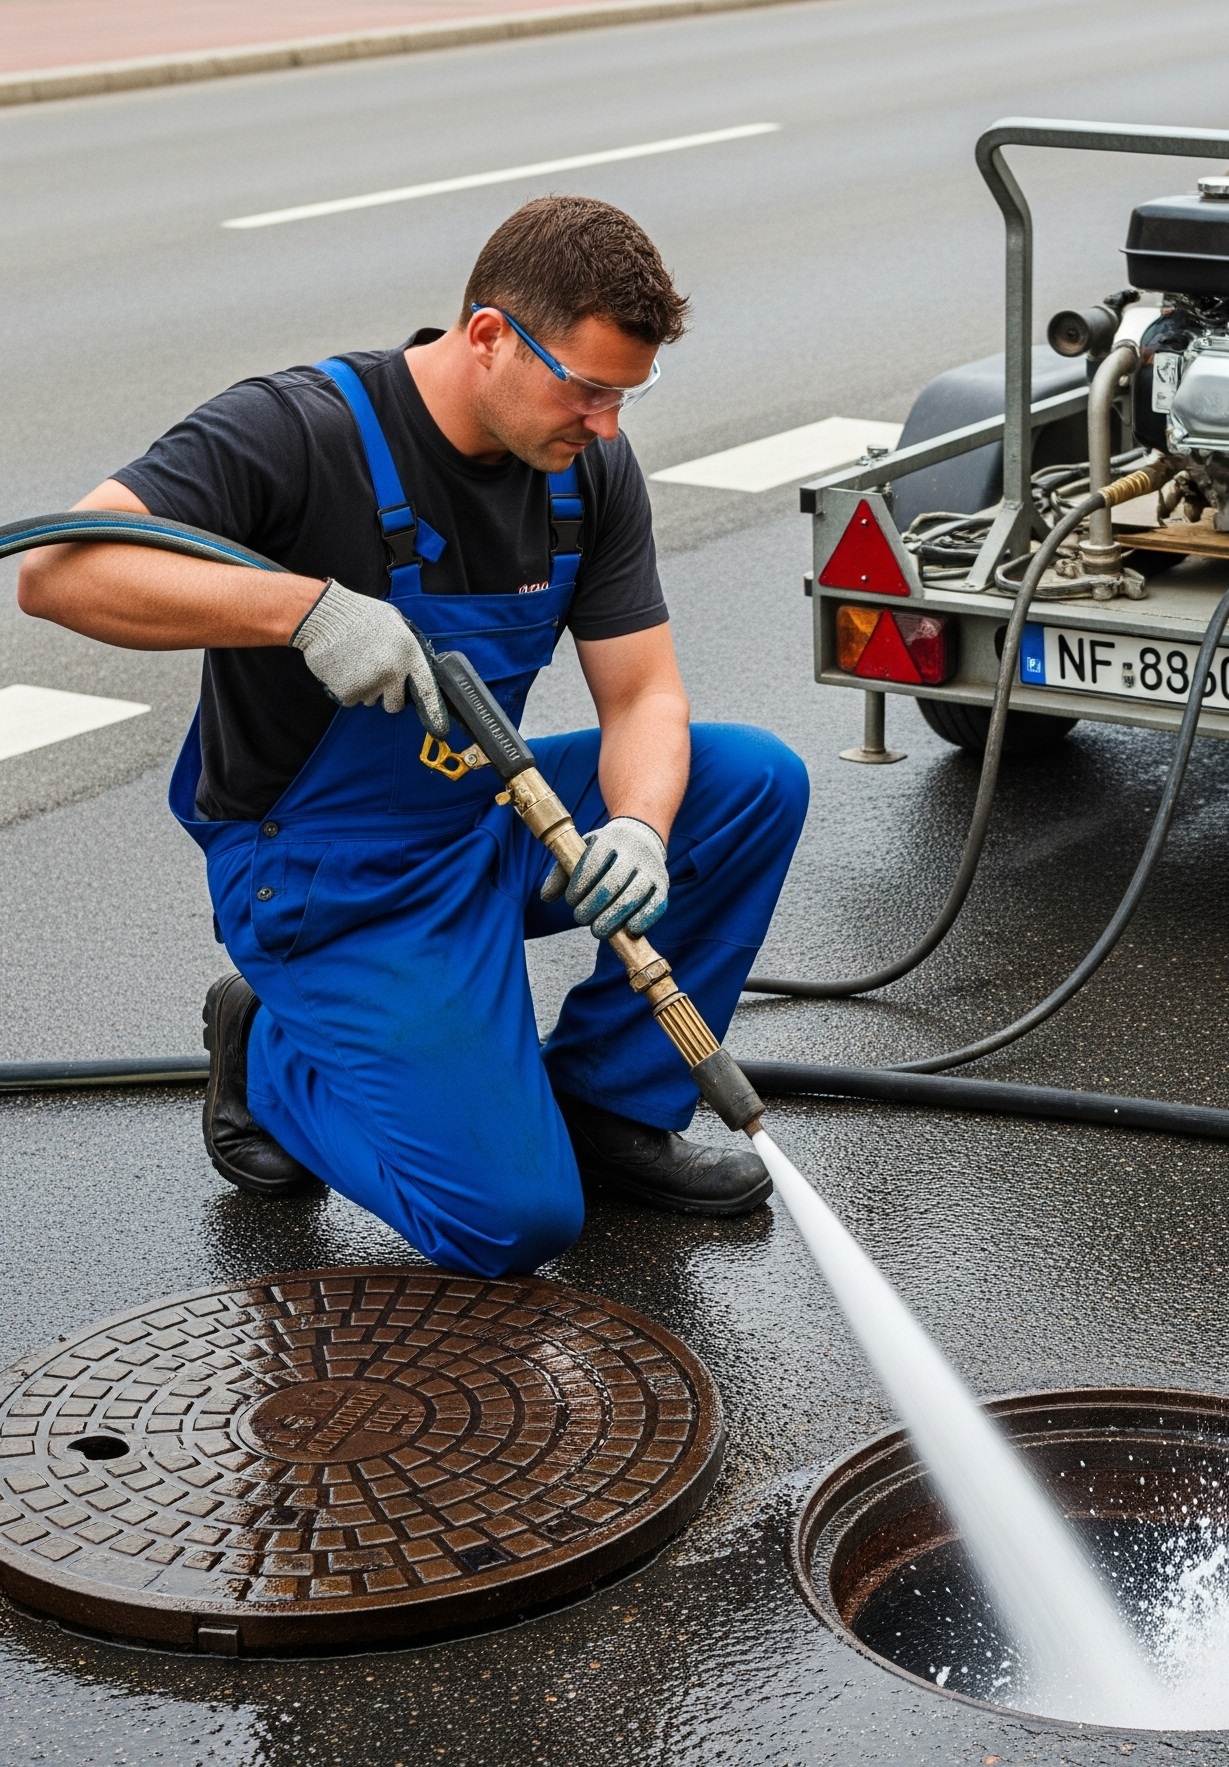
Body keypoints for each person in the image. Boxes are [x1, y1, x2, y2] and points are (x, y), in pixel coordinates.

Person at [17, 195, 809, 1278]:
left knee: (752, 781)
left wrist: (634, 825)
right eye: (585, 388)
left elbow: (643, 700)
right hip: (325, 871)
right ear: (486, 335)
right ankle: (271, 1060)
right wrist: (300, 610)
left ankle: (605, 1105)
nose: (607, 425)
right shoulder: (298, 430)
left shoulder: (586, 470)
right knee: (512, 1223)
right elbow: (61, 575)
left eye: (626, 394)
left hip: (482, 819)